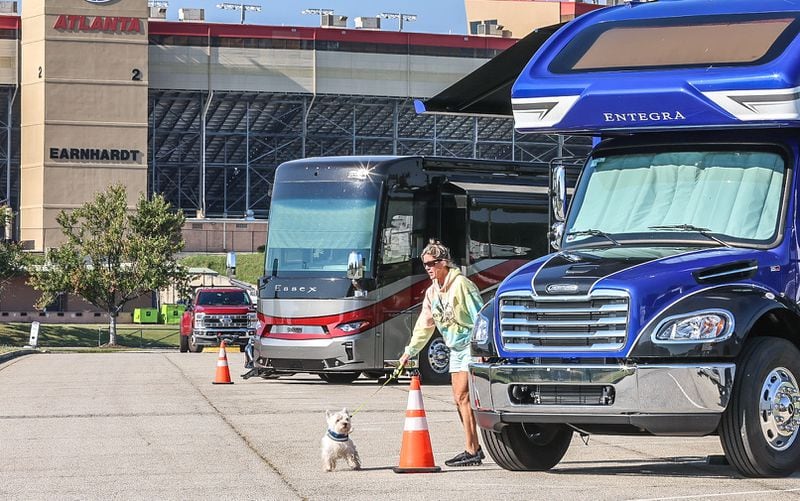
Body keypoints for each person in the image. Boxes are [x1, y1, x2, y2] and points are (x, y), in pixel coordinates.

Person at [398, 239, 485, 467]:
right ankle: (473, 447)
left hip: (470, 345)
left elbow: (480, 316)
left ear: (443, 262)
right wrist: (410, 351)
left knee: (463, 396)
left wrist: (483, 348)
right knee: (458, 399)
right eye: (424, 264)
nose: (427, 268)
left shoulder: (462, 285)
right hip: (454, 348)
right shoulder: (432, 293)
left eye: (431, 263)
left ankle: (471, 449)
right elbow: (424, 325)